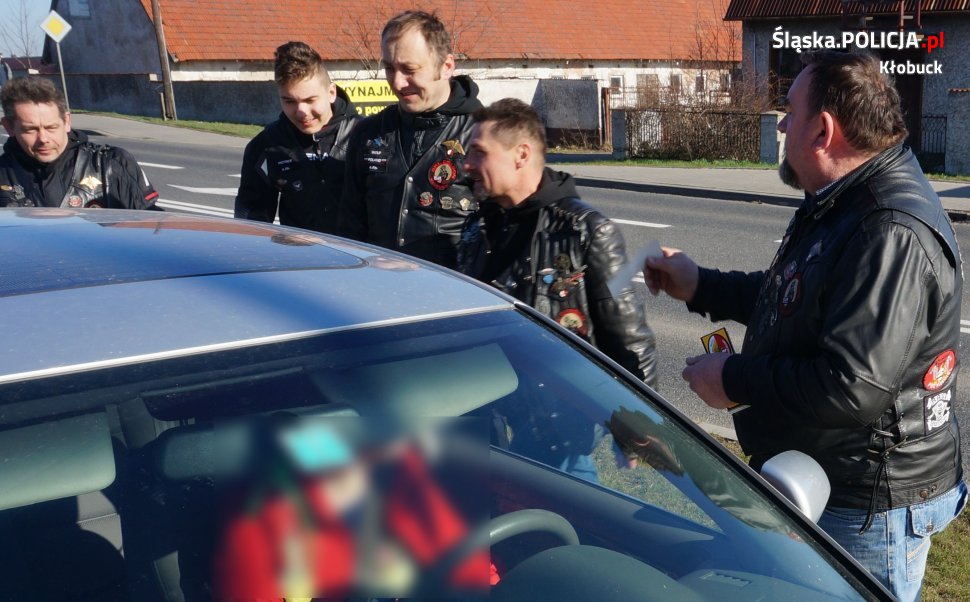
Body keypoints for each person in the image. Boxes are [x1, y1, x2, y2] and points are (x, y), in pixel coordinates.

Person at [644, 51, 965, 601]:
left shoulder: (888, 230)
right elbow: (796, 296)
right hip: (825, 479)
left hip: (865, 503)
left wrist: (733, 379)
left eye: (789, 112)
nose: (781, 125)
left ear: (823, 130)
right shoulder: (844, 201)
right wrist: (700, 285)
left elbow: (853, 386)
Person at [457, 99, 657, 481]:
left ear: (521, 154)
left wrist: (638, 427)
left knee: (571, 505)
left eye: (479, 152)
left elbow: (630, 337)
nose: (467, 164)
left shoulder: (587, 230)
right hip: (488, 423)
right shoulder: (476, 228)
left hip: (556, 432)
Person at [337, 10, 483, 269]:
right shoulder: (369, 133)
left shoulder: (482, 134)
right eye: (389, 68)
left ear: (446, 66)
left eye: (409, 69)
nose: (398, 82)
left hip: (453, 287)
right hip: (378, 285)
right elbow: (350, 226)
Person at [235, 42, 360, 233]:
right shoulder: (266, 144)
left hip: (358, 251)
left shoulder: (366, 136)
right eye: (289, 101)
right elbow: (250, 225)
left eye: (310, 100)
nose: (301, 112)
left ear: (331, 93)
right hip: (297, 251)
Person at [0, 77, 159, 209]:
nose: (43, 139)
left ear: (66, 121)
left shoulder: (111, 164)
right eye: (30, 130)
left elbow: (150, 226)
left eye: (51, 127)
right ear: (9, 127)